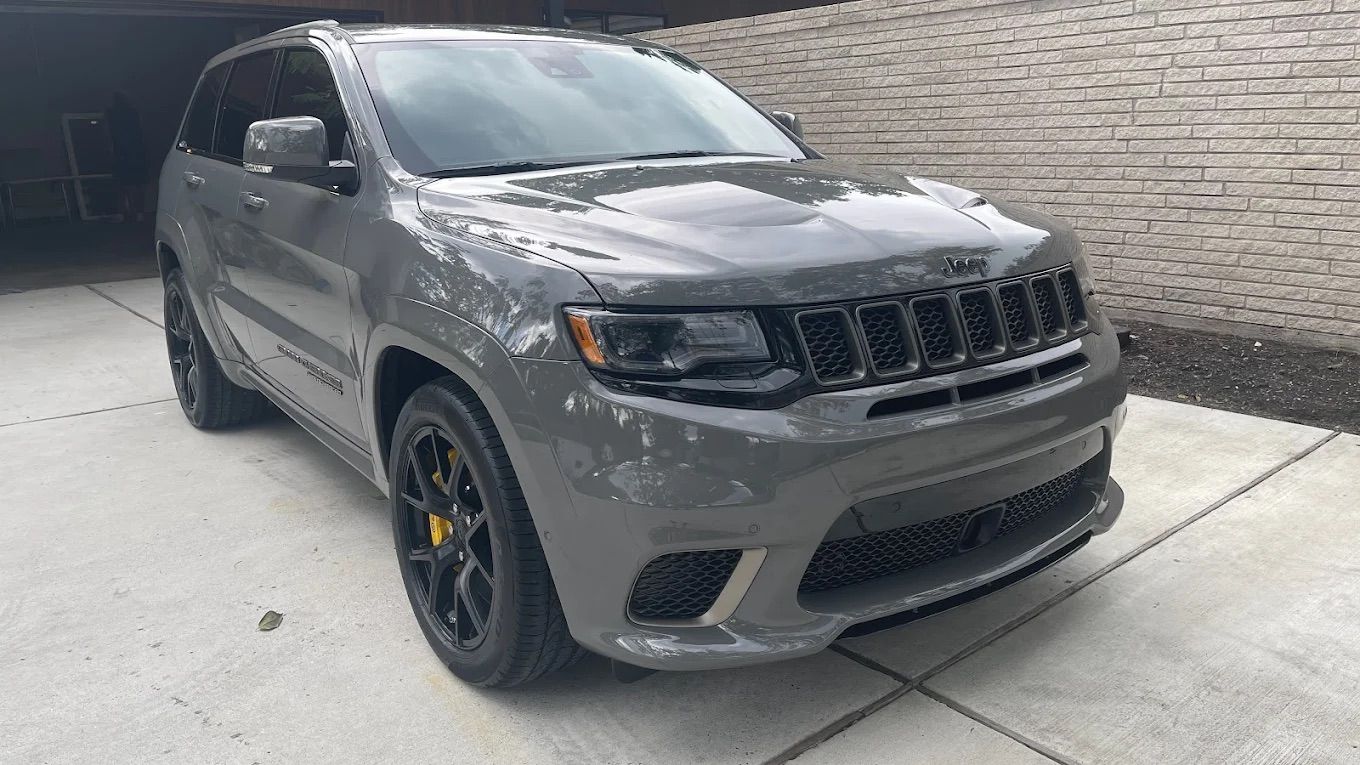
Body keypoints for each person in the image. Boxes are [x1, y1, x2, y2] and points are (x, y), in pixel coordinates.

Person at [106, 91, 148, 222]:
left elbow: (108, 134)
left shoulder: (112, 115)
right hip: (136, 152)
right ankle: (138, 212)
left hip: (122, 153)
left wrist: (111, 152)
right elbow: (142, 131)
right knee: (137, 184)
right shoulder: (133, 114)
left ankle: (124, 212)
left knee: (122, 185)